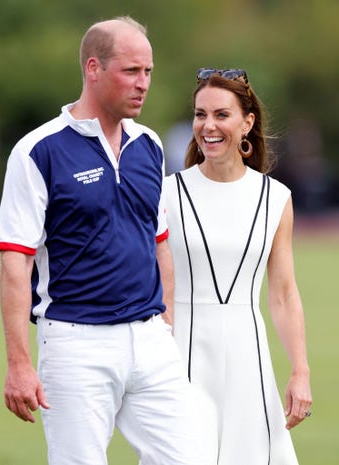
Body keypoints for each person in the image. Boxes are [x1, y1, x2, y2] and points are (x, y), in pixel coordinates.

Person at [0, 17, 210, 465]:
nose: (143, 84)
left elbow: (160, 244)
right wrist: (19, 364)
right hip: (76, 344)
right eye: (131, 71)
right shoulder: (38, 151)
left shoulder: (149, 145)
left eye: (148, 72)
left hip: (150, 341)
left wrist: (165, 328)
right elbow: (16, 263)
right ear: (93, 69)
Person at [164, 68, 312, 465]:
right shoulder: (166, 194)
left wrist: (300, 371)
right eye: (200, 114)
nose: (208, 126)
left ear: (247, 123)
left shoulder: (275, 198)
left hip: (250, 361)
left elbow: (282, 293)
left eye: (221, 115)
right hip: (180, 361)